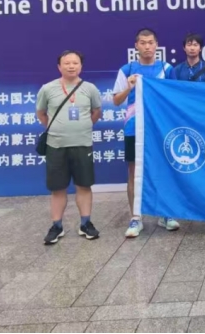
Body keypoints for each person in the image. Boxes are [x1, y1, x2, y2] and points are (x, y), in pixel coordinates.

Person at [113, 28, 180, 237]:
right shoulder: (127, 69)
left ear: (157, 45)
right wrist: (129, 87)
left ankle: (165, 213)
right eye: (143, 43)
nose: (147, 46)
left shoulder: (166, 69)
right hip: (134, 127)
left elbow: (175, 97)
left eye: (150, 42)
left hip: (159, 127)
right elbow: (116, 101)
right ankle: (136, 218)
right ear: (136, 46)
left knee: (163, 169)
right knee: (133, 171)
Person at [36, 50, 102, 245]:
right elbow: (41, 113)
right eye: (67, 63)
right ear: (59, 67)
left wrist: (82, 127)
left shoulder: (90, 88)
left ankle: (86, 224)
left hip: (82, 144)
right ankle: (57, 226)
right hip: (56, 145)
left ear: (81, 66)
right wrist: (57, 129)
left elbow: (96, 112)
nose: (71, 66)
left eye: (75, 63)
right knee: (58, 188)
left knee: (84, 185)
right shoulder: (48, 89)